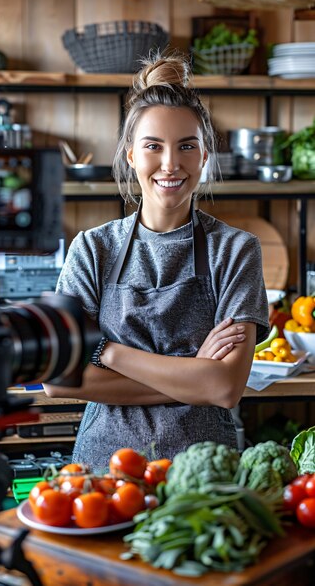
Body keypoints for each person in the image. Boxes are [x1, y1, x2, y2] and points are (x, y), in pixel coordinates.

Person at [44, 52, 270, 470]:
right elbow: (58, 380)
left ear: (205, 156)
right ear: (131, 155)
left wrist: (105, 352)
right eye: (153, 146)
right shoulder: (92, 249)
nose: (171, 164)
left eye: (187, 146)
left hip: (204, 471)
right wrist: (193, 377)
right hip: (103, 472)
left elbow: (224, 389)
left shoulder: (236, 251)